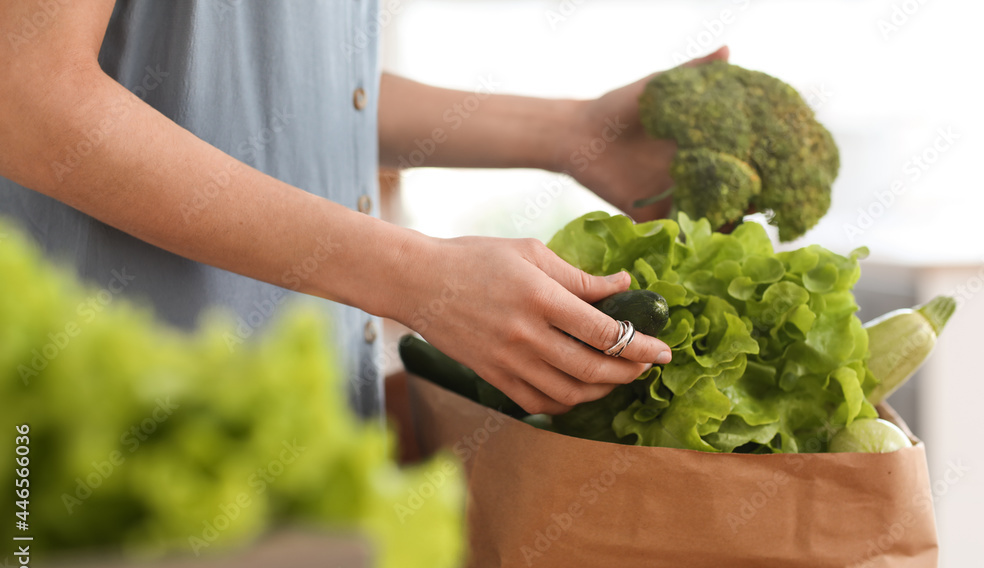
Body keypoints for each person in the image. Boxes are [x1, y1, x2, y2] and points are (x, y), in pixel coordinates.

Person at [0, 1, 727, 418]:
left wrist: (571, 134)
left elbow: (271, 88)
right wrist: (414, 276)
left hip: (305, 430)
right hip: (108, 426)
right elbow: (22, 94)